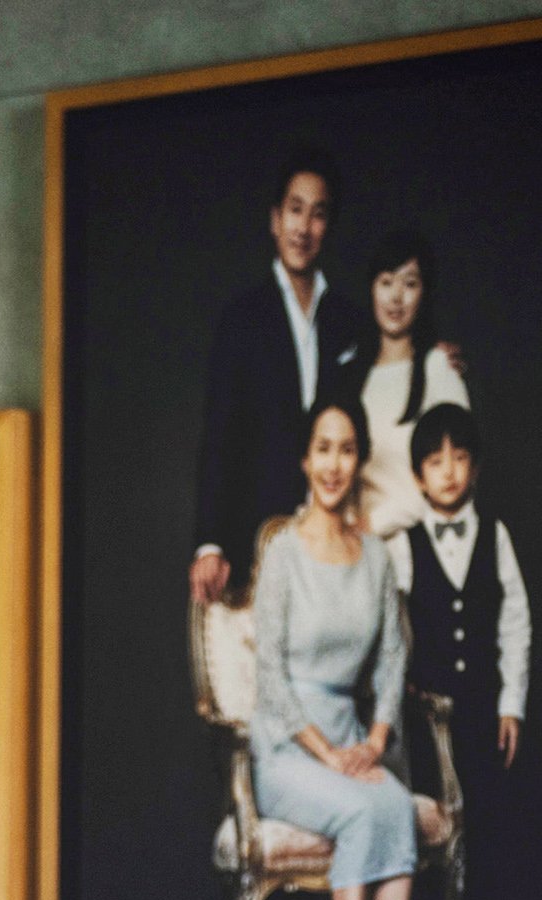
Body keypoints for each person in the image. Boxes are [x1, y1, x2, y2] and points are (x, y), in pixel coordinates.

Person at [250, 398, 416, 900]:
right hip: (288, 747)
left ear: (358, 460)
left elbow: (391, 660)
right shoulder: (283, 550)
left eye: (347, 449)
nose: (334, 464)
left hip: (354, 739)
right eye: (323, 448)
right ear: (304, 458)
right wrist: (330, 756)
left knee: (399, 809)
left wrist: (374, 741)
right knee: (360, 810)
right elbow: (269, 675)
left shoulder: (374, 556)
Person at [404, 402, 531, 900]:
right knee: (430, 844)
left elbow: (515, 625)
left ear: (474, 468)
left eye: (458, 458)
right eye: (434, 461)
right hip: (426, 729)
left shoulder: (496, 536)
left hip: (483, 719)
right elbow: (389, 633)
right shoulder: (402, 546)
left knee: (485, 839)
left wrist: (512, 704)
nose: (448, 471)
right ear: (419, 476)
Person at [190, 147, 364, 605]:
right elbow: (219, 435)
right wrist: (211, 542)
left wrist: (433, 354)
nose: (304, 228)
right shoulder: (241, 319)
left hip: (337, 536)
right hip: (258, 541)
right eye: (294, 210)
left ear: (329, 228)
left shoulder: (350, 320)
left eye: (318, 214)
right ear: (275, 220)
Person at [344, 225, 471, 593]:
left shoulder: (439, 369)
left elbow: (455, 478)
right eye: (386, 282)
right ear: (371, 288)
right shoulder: (351, 372)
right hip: (356, 561)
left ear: (424, 293)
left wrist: (375, 522)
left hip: (423, 560)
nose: (396, 297)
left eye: (410, 284)